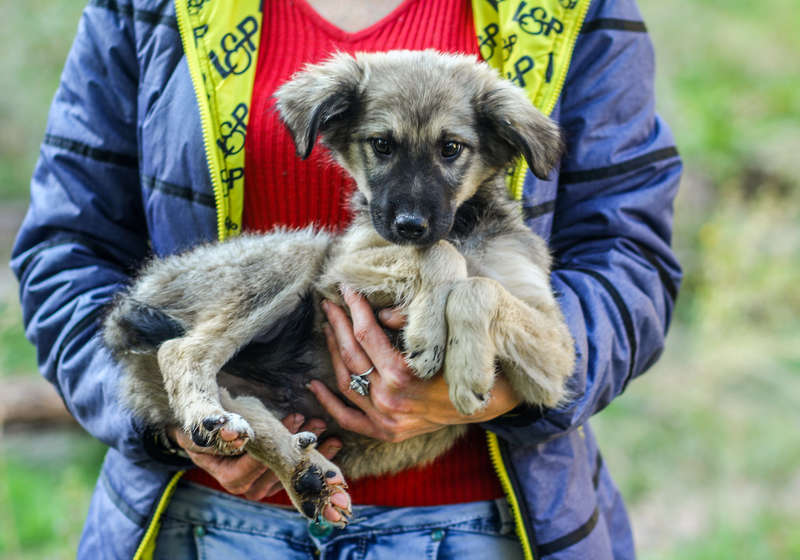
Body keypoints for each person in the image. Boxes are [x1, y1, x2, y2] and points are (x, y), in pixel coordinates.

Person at [11, 0, 682, 558]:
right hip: (207, 523)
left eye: (450, 151)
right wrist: (160, 418)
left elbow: (630, 254)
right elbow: (67, 246)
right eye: (383, 148)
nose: (414, 203)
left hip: (486, 526)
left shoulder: (572, 10)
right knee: (297, 260)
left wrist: (498, 385)